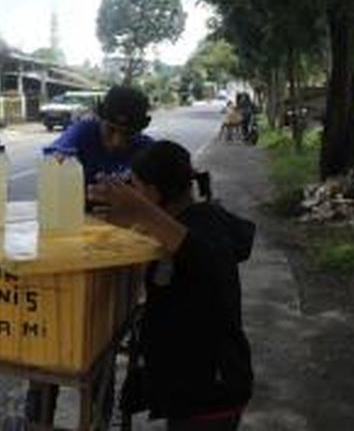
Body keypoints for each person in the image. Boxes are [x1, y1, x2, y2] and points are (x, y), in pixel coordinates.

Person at [89, 140, 255, 430]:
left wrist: (141, 212)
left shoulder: (206, 226)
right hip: (190, 384)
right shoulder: (174, 224)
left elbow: (205, 258)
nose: (134, 194)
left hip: (212, 389)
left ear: (153, 194)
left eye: (138, 189)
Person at [25, 85, 154, 425]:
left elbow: (170, 179)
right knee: (51, 349)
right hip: (67, 251)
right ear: (99, 118)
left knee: (100, 350)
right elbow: (55, 157)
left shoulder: (145, 150)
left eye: (125, 134)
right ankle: (38, 421)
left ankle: (96, 419)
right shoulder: (81, 132)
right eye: (109, 130)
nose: (114, 140)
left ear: (139, 131)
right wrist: (70, 170)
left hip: (113, 259)